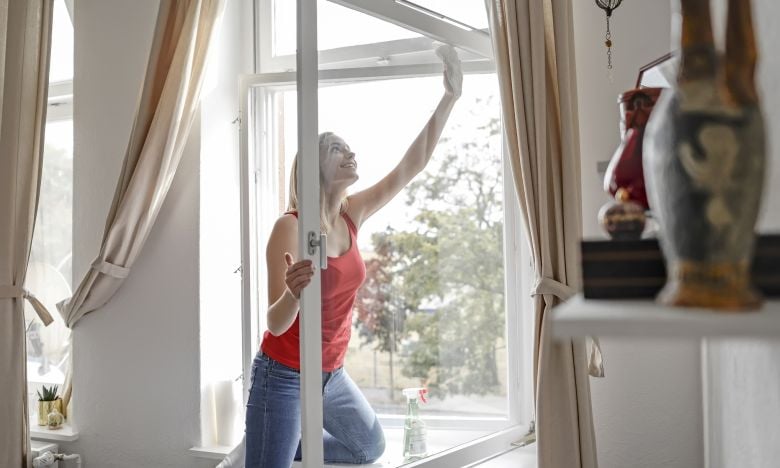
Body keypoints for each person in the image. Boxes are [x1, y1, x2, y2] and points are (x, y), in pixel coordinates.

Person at [244, 44, 463, 467]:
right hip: (283, 373)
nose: (351, 154)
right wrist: (292, 292)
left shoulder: (351, 214)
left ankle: (279, 443)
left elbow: (409, 167)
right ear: (313, 168)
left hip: (332, 375)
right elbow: (275, 322)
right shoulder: (288, 227)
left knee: (369, 448)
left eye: (349, 149)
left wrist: (449, 97)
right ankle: (269, 442)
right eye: (337, 150)